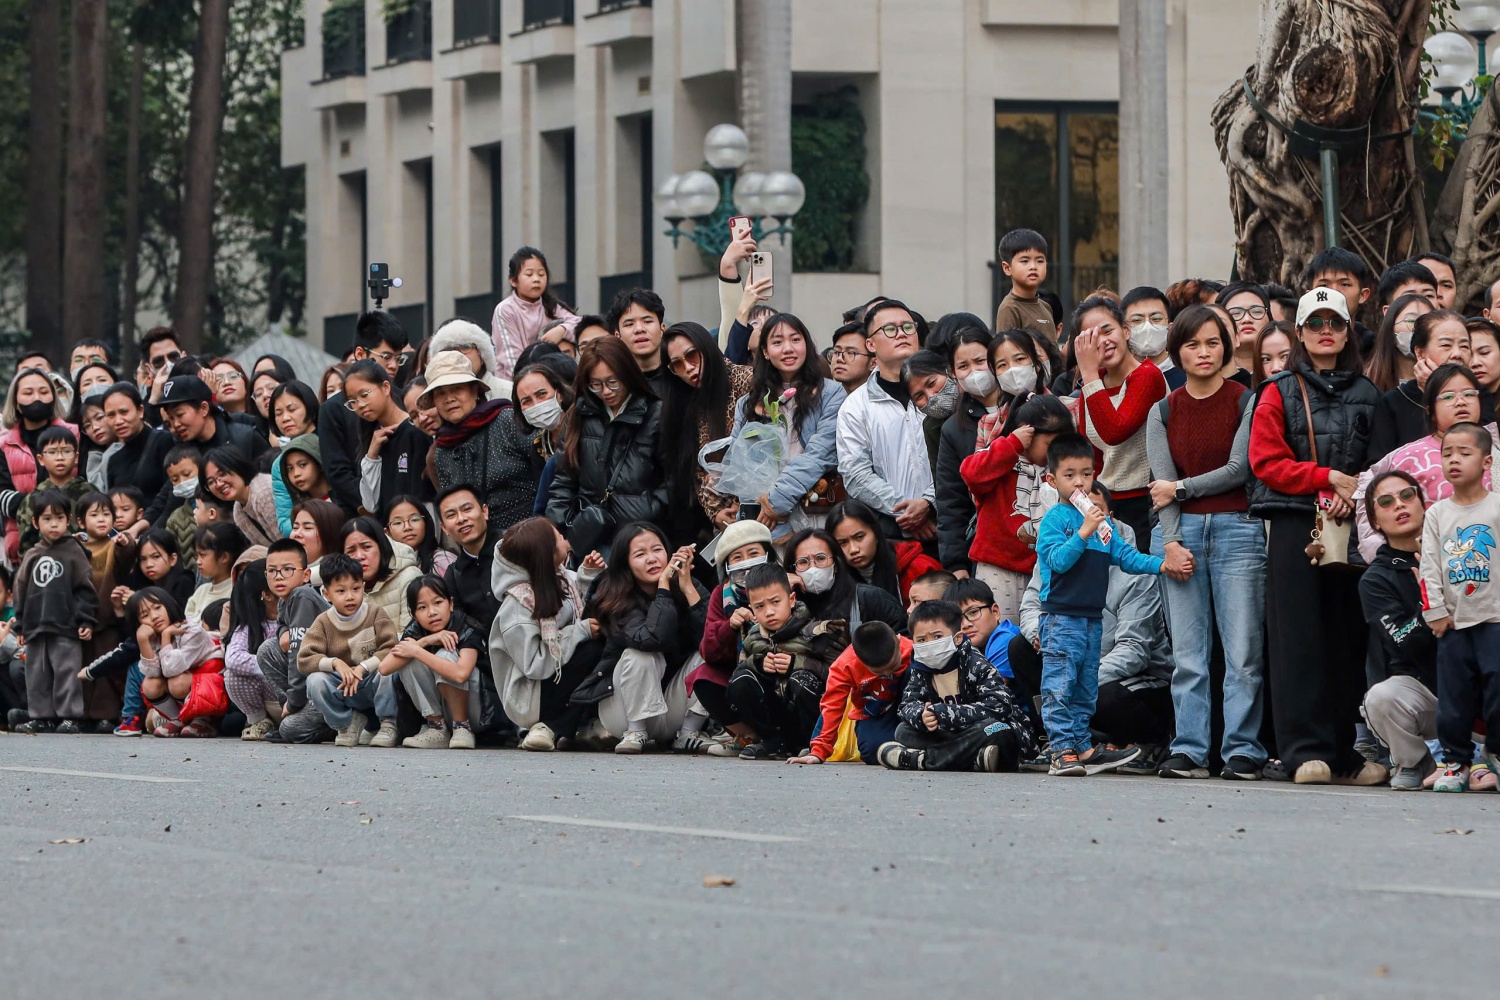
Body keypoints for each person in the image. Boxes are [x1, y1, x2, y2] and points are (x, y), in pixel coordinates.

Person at [1248, 287, 1383, 786]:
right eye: (1315, 323)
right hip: (1295, 523)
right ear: (1300, 333)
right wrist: (1326, 479)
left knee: (1347, 636)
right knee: (1296, 638)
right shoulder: (1277, 389)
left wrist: (1355, 491)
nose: (1326, 330)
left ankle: (1343, 752)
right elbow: (1266, 462)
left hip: (1354, 525)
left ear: (1349, 331)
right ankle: (1303, 749)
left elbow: (1382, 461)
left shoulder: (1370, 394)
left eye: (1336, 322)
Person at [1145, 304, 1265, 779]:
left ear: (1227, 347)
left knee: (1242, 653)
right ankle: (1190, 749)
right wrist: (1171, 542)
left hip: (1239, 529)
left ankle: (1243, 750)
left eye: (1213, 342)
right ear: (1177, 352)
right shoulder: (1162, 409)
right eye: (1193, 344)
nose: (1204, 352)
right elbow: (1161, 484)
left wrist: (1181, 488)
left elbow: (1240, 469)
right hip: (1180, 536)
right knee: (1188, 656)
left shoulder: (1245, 400)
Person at [1034, 435, 1174, 776]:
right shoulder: (1055, 520)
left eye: (1086, 473)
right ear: (1052, 480)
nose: (1080, 482)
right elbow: (1057, 562)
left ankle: (1081, 745)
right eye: (1069, 475)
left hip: (1091, 618)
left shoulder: (1103, 522)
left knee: (1085, 685)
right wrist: (1083, 532)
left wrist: (1161, 565)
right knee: (1059, 684)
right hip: (1061, 617)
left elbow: (1124, 556)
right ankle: (1060, 749)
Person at [1417, 422, 1500, 792]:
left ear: (1487, 461)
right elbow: (1429, 565)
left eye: (1464, 453)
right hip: (1454, 623)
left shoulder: (1497, 507)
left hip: (1495, 617)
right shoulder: (1437, 513)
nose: (1454, 460)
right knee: (1453, 698)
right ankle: (1455, 761)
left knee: (1498, 688)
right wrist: (1434, 610)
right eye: (1448, 453)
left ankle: (1495, 753)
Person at [574, 522, 706, 754]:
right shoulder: (615, 598)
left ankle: (689, 733)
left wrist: (686, 589)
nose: (652, 559)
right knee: (640, 654)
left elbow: (711, 638)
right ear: (625, 563)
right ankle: (636, 732)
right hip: (622, 714)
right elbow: (653, 638)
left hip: (669, 707)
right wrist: (664, 588)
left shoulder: (687, 584)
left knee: (710, 654)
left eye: (657, 549)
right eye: (640, 554)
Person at [1354, 363, 1497, 562]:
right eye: (1448, 396)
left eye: (1469, 394)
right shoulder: (1407, 457)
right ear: (1430, 410)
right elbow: (1370, 500)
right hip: (1429, 564)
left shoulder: (1495, 450)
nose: (1460, 402)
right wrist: (1389, 556)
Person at [877, 600, 1038, 772]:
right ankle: (972, 760)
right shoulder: (920, 668)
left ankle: (923, 761)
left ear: (958, 638)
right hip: (951, 734)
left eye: (937, 637)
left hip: (982, 731)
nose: (929, 644)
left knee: (998, 730)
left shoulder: (977, 664)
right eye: (922, 639)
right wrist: (921, 716)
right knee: (903, 731)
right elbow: (906, 705)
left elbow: (1000, 706)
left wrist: (947, 713)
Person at [545, 337, 666, 557]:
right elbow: (564, 480)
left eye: (613, 382)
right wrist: (558, 528)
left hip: (642, 535)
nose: (606, 391)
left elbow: (672, 481)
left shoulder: (656, 413)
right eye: (596, 384)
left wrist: (650, 510)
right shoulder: (578, 415)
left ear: (627, 374)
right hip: (593, 533)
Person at [491, 517, 603, 752]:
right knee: (591, 649)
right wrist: (579, 632)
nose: (564, 536)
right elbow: (535, 664)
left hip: (551, 680)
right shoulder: (518, 604)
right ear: (547, 555)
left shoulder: (559, 577)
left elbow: (577, 611)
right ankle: (552, 725)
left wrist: (588, 576)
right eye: (558, 536)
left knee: (602, 639)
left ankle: (570, 725)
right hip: (530, 695)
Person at [1358, 471, 1441, 790]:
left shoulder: (1458, 549)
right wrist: (1429, 600)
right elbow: (1406, 643)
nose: (1399, 505)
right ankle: (1414, 760)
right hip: (1432, 693)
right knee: (1380, 697)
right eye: (1386, 501)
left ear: (1423, 503)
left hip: (1481, 680)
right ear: (1376, 521)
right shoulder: (1376, 580)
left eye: (1407, 496)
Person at [960, 393, 1073, 624]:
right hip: (998, 568)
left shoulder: (1060, 471)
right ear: (1027, 434)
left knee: (1041, 636)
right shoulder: (1000, 458)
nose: (1056, 452)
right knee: (1000, 633)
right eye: (1050, 445)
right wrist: (1012, 443)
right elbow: (970, 472)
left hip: (1044, 569)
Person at [730, 312, 845, 538]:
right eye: (777, 342)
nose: (788, 348)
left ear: (806, 345)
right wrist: (756, 508)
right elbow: (739, 463)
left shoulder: (831, 393)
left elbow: (820, 454)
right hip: (764, 518)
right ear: (765, 351)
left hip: (812, 512)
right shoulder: (747, 403)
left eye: (795, 339)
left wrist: (777, 501)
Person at [1071, 294, 1168, 549]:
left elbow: (1115, 430)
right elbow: (1092, 454)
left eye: (1107, 331)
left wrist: (1089, 373)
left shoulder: (1147, 376)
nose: (1103, 342)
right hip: (1105, 503)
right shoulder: (1091, 387)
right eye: (1091, 337)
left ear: (1126, 331)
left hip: (1146, 501)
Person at [836, 299, 935, 543]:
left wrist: (929, 503)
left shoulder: (942, 390)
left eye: (907, 327)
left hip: (949, 522)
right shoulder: (855, 406)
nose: (901, 334)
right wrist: (907, 511)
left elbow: (961, 455)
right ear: (870, 344)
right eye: (890, 329)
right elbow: (855, 474)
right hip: (889, 532)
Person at [728, 563, 847, 759]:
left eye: (775, 602)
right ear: (751, 609)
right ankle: (773, 742)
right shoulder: (752, 637)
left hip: (813, 717)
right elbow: (737, 676)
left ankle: (811, 743)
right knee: (741, 680)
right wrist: (758, 665)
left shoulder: (817, 632)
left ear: (791, 599)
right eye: (760, 606)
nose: (769, 612)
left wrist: (796, 663)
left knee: (801, 679)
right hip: (776, 714)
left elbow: (841, 677)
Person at [426, 351, 540, 541]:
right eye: (440, 394)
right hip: (480, 549)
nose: (449, 398)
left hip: (531, 536)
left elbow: (547, 471)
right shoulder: (441, 451)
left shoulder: (507, 420)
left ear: (474, 391)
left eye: (456, 389)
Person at [10, 491, 98, 734]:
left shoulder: (74, 552)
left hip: (66, 626)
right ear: (36, 523)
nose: (54, 524)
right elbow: (21, 591)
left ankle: (69, 716)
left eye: (59, 518)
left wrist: (86, 620)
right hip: (36, 626)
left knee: (66, 672)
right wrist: (21, 626)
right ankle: (42, 716)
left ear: (68, 520)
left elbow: (85, 588)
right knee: (36, 674)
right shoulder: (32, 554)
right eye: (47, 519)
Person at [685, 519, 773, 755]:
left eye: (753, 553)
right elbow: (709, 651)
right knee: (703, 676)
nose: (746, 562)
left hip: (776, 668)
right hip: (738, 668)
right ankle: (747, 736)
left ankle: (782, 737)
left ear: (767, 555)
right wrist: (729, 626)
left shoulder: (782, 584)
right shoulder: (720, 595)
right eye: (737, 557)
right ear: (727, 565)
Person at [298, 552, 400, 748]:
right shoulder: (323, 622)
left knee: (389, 669)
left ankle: (388, 723)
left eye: (355, 588)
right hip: (343, 685)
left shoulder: (375, 613)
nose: (350, 597)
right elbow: (304, 659)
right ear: (326, 594)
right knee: (315, 681)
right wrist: (335, 663)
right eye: (341, 591)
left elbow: (391, 648)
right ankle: (346, 723)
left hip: (371, 680)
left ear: (363, 586)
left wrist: (362, 667)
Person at [660, 321, 753, 532]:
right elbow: (697, 471)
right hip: (727, 522)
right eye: (677, 364)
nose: (688, 367)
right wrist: (715, 512)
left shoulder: (748, 382)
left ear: (707, 349)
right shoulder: (684, 406)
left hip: (766, 508)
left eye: (692, 355)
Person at [377, 574, 485, 750]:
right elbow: (384, 667)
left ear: (450, 603)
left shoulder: (466, 627)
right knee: (408, 660)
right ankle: (437, 728)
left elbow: (460, 674)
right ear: (414, 614)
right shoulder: (416, 630)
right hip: (441, 710)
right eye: (422, 607)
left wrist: (417, 651)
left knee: (444, 654)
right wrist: (424, 642)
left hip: (475, 710)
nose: (432, 612)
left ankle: (462, 728)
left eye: (437, 603)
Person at [320, 311, 409, 517]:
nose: (393, 365)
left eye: (398, 358)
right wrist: (369, 504)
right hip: (357, 515)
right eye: (386, 357)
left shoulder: (404, 399)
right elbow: (338, 473)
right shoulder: (333, 409)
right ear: (360, 354)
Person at [787, 620, 910, 767]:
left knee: (916, 670)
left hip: (909, 705)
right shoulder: (845, 666)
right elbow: (832, 706)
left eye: (893, 666)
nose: (887, 673)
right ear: (859, 659)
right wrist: (818, 751)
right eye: (879, 672)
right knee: (872, 752)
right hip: (875, 711)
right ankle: (907, 746)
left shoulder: (911, 648)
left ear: (898, 640)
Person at [1369, 309, 1473, 458]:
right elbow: (1378, 466)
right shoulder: (1393, 402)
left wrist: (1438, 390)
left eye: (1464, 346)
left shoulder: (1479, 394)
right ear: (1420, 353)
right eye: (1446, 345)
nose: (1457, 353)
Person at [932, 328, 994, 572]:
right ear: (953, 373)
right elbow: (951, 501)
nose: (974, 372)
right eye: (963, 366)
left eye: (980, 361)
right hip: (985, 547)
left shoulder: (1024, 409)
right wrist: (956, 564)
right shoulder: (953, 429)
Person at [258, 537, 331, 744]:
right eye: (272, 571)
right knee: (267, 649)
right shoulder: (286, 599)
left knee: (290, 729)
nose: (278, 577)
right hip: (311, 681)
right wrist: (282, 632)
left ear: (306, 574)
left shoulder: (302, 595)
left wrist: (293, 702)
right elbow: (283, 624)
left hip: (332, 684)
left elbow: (301, 657)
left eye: (288, 569)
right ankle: (298, 713)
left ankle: (335, 725)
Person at [1, 367, 76, 564]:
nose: (37, 398)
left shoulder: (74, 435)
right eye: (28, 393)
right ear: (16, 403)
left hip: (73, 545)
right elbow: (2, 496)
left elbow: (85, 487)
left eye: (44, 392)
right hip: (23, 549)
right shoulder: (4, 445)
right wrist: (46, 505)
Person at [131, 587, 226, 738]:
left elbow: (171, 669)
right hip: (190, 686)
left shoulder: (191, 630)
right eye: (145, 615)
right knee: (150, 685)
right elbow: (153, 673)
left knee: (177, 682)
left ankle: (205, 720)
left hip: (215, 689)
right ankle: (178, 719)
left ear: (168, 605)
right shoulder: (153, 637)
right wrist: (143, 641)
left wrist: (166, 636)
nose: (154, 616)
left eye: (157, 608)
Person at [342, 359, 432, 516]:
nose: (360, 405)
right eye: (353, 401)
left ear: (385, 387)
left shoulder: (415, 431)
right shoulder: (375, 439)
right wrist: (371, 456)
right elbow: (370, 505)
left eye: (364, 395)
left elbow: (425, 498)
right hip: (388, 534)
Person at [783, 527, 909, 636]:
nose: (813, 568)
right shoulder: (785, 606)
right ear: (793, 569)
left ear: (836, 565)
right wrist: (783, 592)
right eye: (803, 562)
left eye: (820, 558)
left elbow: (905, 641)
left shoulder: (870, 598)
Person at [826, 500, 940, 606]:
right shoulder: (832, 580)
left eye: (859, 537)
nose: (853, 549)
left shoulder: (921, 569)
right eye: (842, 543)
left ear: (876, 534)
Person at [491, 247, 580, 380]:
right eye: (529, 274)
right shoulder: (505, 310)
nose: (536, 279)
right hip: (514, 386)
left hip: (552, 380)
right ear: (513, 280)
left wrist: (561, 330)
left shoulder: (551, 306)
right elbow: (512, 362)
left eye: (541, 274)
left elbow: (581, 325)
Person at [222, 559, 282, 741]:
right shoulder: (251, 626)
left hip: (299, 694)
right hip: (273, 695)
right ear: (267, 594)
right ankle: (260, 721)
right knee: (231, 675)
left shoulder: (300, 614)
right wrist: (272, 666)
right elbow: (232, 658)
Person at [16, 426, 93, 553]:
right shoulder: (33, 499)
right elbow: (26, 546)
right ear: (40, 459)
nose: (60, 457)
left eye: (66, 451)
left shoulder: (89, 492)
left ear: (76, 457)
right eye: (52, 452)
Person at [342, 516, 422, 632]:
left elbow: (411, 636)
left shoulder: (409, 577)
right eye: (351, 551)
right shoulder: (338, 586)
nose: (360, 556)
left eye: (367, 547)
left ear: (381, 546)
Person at [204, 446, 281, 547]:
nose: (218, 484)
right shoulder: (238, 509)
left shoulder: (263, 492)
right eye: (211, 482)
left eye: (222, 474)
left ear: (237, 466)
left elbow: (287, 542)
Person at [1302, 246, 1376, 353]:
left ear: (1362, 295)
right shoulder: (1291, 351)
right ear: (1309, 296)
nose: (1334, 292)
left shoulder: (1378, 353)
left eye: (1345, 284)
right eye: (1324, 286)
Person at [1365, 292, 1434, 393]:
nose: (1419, 328)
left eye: (1427, 322)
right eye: (1411, 321)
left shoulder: (1447, 380)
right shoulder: (1367, 383)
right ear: (1390, 327)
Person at [431, 317, 514, 401]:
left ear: (482, 353)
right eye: (449, 350)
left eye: (466, 347)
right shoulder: (440, 401)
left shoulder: (510, 392)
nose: (458, 355)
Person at [994, 228, 1055, 341]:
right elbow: (1006, 351)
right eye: (1025, 261)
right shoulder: (1009, 308)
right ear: (1007, 268)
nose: (1033, 266)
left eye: (1040, 261)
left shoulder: (1046, 307)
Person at [606, 287, 668, 390]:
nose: (639, 329)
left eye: (647, 321)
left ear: (662, 329)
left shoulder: (681, 376)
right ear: (618, 335)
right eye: (629, 324)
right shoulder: (611, 386)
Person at [1122, 286, 1182, 390]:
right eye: (1137, 320)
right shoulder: (1116, 379)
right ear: (1124, 329)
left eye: (1156, 318)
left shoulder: (1187, 377)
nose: (1147, 327)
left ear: (1170, 327)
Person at [187, 522, 246, 623]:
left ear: (224, 557)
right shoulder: (200, 591)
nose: (198, 561)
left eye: (203, 555)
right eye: (197, 555)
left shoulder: (238, 592)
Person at [1216, 282, 1273, 386]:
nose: (1247, 319)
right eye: (1236, 313)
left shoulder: (1284, 370)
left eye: (1256, 311)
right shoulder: (1208, 375)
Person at [385, 495, 453, 576]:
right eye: (398, 523)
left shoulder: (442, 561)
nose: (407, 527)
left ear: (426, 523)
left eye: (414, 519)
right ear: (387, 532)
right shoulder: (384, 566)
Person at [829, 322, 875, 394]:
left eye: (851, 353)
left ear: (873, 363)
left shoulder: (883, 401)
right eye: (836, 352)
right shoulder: (826, 398)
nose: (839, 359)